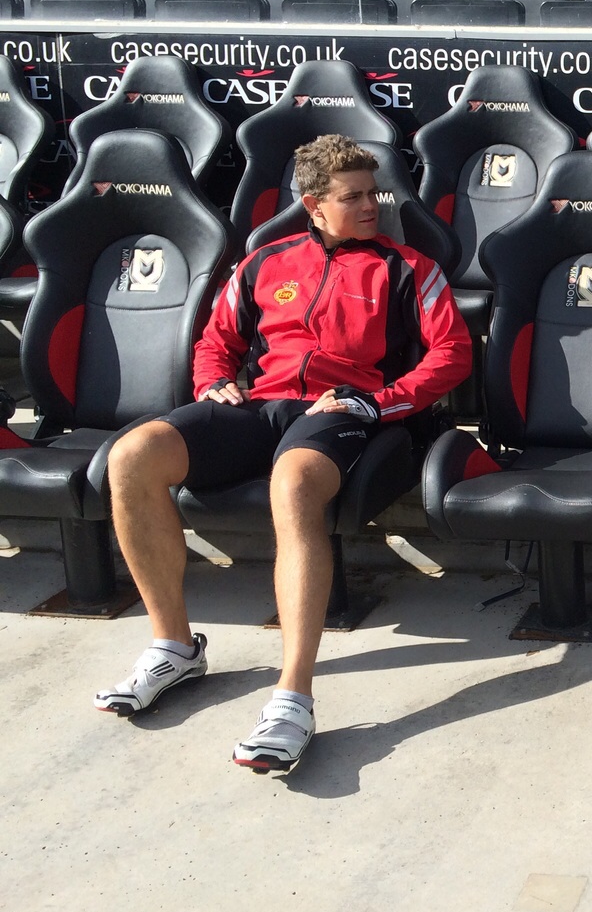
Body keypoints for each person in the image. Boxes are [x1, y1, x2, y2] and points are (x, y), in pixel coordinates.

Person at [94, 134, 471, 772]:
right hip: (259, 405)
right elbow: (215, 339)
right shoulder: (265, 261)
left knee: (293, 485)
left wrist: (379, 402)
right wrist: (214, 380)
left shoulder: (407, 267)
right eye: (353, 197)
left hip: (341, 411)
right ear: (314, 206)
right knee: (132, 456)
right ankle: (174, 647)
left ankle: (293, 698)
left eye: (374, 193)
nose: (371, 206)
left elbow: (452, 354)